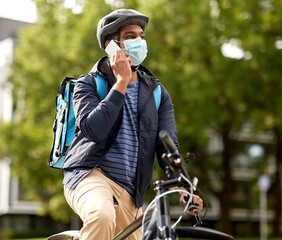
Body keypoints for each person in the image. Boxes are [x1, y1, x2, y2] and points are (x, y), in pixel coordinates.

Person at [62, 8, 203, 240]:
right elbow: (93, 129)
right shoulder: (88, 84)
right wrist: (121, 82)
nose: (139, 41)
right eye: (130, 36)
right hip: (88, 174)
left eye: (141, 36)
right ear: (110, 45)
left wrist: (183, 185)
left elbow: (168, 146)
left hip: (131, 191)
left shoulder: (157, 92)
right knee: (101, 216)